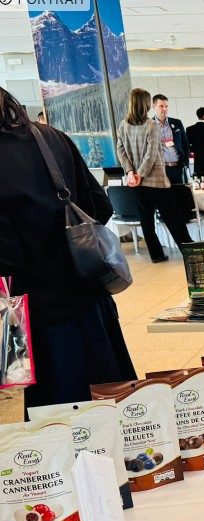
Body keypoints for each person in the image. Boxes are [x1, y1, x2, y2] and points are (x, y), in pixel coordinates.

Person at [0, 86, 136, 408]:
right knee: (110, 407)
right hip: (89, 301)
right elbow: (100, 207)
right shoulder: (49, 138)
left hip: (34, 324)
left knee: (55, 426)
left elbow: (7, 258)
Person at [116, 87, 195, 262]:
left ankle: (156, 254)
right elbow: (151, 154)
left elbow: (120, 151)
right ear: (146, 104)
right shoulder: (151, 125)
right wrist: (140, 174)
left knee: (146, 219)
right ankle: (189, 250)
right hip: (156, 180)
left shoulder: (123, 125)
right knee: (173, 217)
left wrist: (131, 173)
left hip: (136, 183)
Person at [151, 93, 189, 185]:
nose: (165, 109)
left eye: (166, 106)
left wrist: (186, 164)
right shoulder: (149, 125)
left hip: (178, 168)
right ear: (154, 106)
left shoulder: (177, 123)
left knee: (180, 195)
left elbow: (185, 144)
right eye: (161, 106)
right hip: (161, 170)